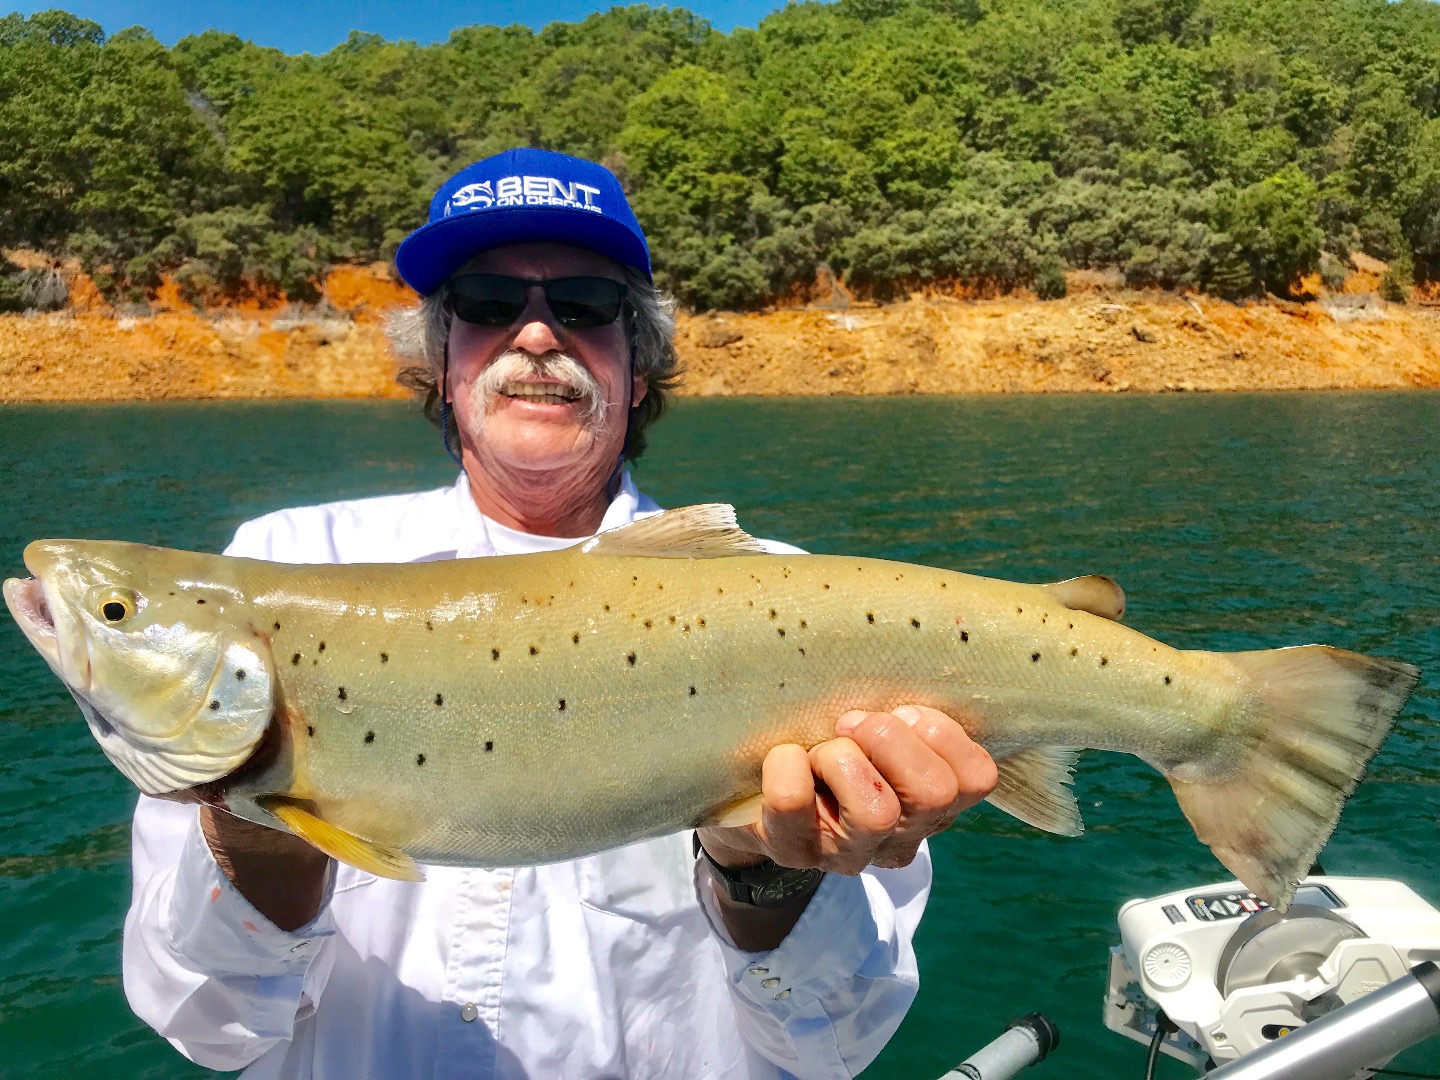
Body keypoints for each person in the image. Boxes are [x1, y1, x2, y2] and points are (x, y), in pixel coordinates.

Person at [123, 148, 999, 1079]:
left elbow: (835, 1039)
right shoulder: (279, 571)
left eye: (583, 305)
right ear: (440, 362)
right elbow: (210, 1023)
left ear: (641, 364)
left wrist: (763, 865)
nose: (536, 335)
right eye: (488, 304)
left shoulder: (799, 608)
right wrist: (265, 816)